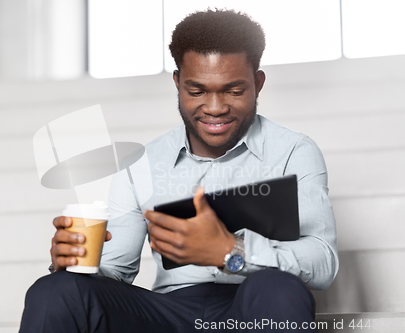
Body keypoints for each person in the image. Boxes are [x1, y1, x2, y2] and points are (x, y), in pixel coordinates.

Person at [19, 9, 338, 333]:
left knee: (278, 289)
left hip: (255, 307)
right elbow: (114, 270)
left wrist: (231, 252)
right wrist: (73, 262)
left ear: (258, 83)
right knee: (54, 290)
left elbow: (323, 262)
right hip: (167, 316)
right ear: (178, 83)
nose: (215, 108)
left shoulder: (293, 151)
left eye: (234, 90)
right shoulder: (142, 163)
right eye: (197, 91)